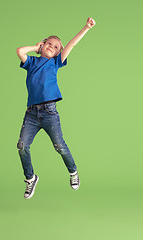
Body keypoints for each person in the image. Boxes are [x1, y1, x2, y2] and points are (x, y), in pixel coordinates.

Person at [16, 17, 96, 199]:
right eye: (49, 44)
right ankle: (30, 179)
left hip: (49, 112)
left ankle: (73, 171)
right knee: (22, 146)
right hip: (31, 114)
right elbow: (20, 51)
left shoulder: (55, 63)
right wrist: (35, 48)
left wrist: (86, 27)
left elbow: (71, 45)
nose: (52, 47)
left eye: (55, 47)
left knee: (59, 146)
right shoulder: (32, 63)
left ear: (57, 54)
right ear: (42, 45)